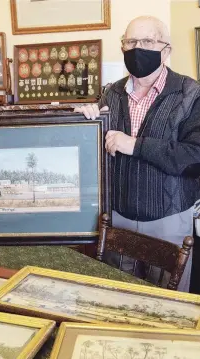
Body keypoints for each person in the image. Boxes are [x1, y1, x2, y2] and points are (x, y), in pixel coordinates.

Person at [75, 16, 200, 292]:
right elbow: (94, 152)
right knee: (118, 298)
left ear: (165, 50)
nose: (137, 48)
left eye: (147, 41)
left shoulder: (190, 93)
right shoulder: (111, 93)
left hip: (168, 220)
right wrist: (84, 123)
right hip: (118, 219)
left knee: (168, 306)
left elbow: (195, 156)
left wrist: (135, 145)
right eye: (130, 41)